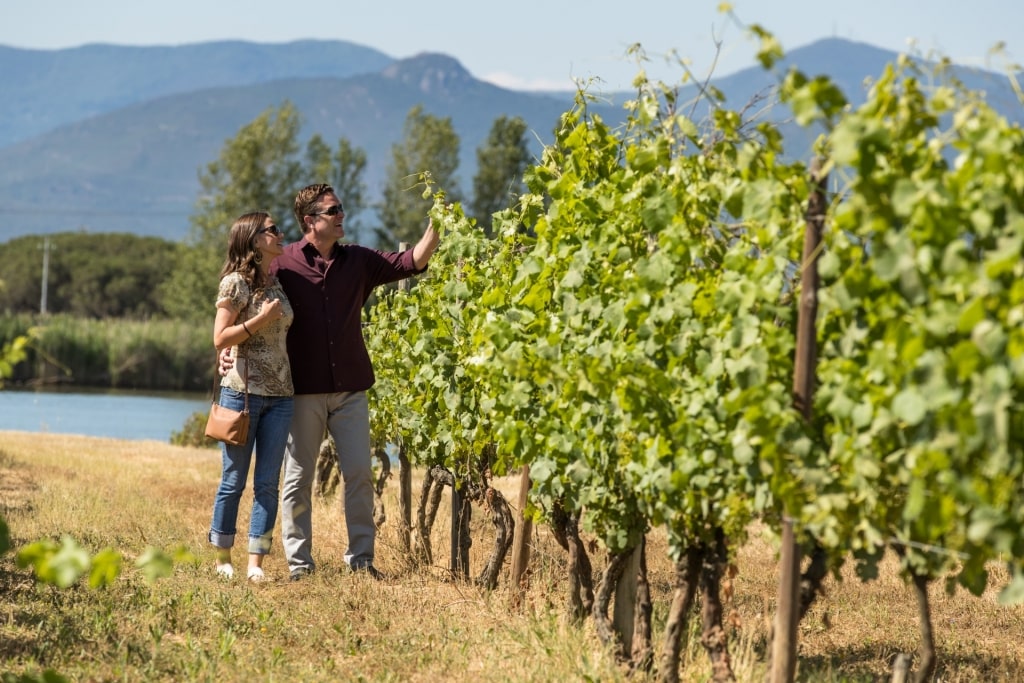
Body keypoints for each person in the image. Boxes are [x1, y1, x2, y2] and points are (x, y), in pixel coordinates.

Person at [224, 183, 440, 581]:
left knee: (358, 474)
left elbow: (411, 262)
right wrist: (231, 347)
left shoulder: (358, 260)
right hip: (302, 390)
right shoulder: (282, 263)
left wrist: (435, 230)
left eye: (341, 208)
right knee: (298, 478)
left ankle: (361, 560)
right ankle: (299, 564)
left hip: (351, 389)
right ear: (310, 221)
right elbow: (243, 295)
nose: (342, 215)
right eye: (333, 210)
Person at [208, 211, 294, 583]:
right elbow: (220, 338)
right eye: (273, 230)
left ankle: (255, 563)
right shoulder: (234, 284)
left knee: (267, 484)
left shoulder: (278, 284)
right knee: (233, 480)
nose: (280, 234)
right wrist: (260, 320)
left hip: (281, 395)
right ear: (255, 240)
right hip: (242, 395)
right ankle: (223, 555)